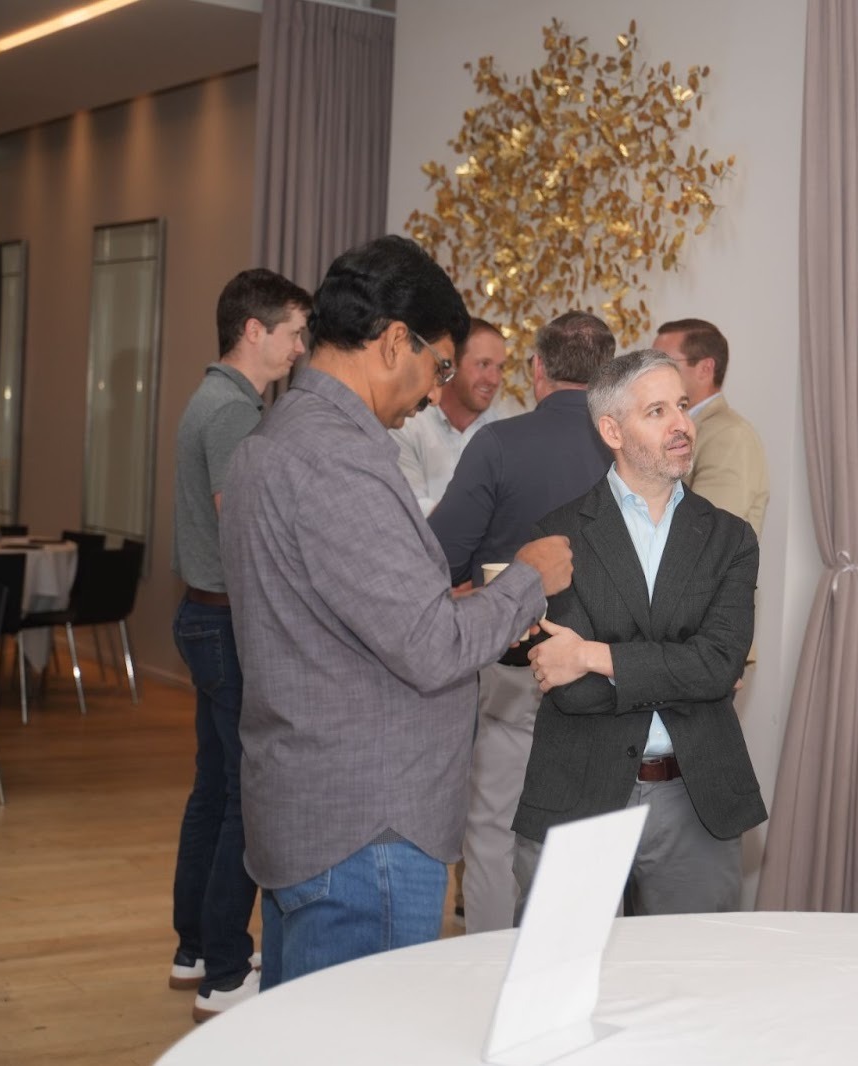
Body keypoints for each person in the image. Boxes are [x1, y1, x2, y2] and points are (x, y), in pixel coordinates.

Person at [219, 235, 573, 988]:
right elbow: (431, 649)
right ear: (391, 343)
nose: (430, 394)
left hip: (309, 803)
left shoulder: (277, 439)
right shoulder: (340, 457)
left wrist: (442, 602)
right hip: (368, 825)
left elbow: (323, 614)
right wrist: (528, 580)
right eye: (439, 365)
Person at [514, 350, 763, 918]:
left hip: (696, 797)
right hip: (579, 788)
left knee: (694, 989)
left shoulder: (730, 539)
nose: (681, 423)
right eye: (657, 411)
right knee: (563, 990)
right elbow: (568, 686)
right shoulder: (559, 535)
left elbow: (719, 666)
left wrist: (596, 654)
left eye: (681, 405)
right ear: (612, 430)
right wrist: (674, 667)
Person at [427, 311, 615, 933]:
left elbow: (438, 556)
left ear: (537, 369)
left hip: (515, 661)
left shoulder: (499, 444)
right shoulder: (633, 447)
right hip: (606, 669)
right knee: (593, 836)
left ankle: (488, 971)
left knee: (493, 827)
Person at [168, 267, 309, 1021]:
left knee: (215, 789)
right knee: (243, 803)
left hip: (204, 617)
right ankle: (225, 969)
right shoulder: (231, 411)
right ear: (255, 330)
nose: (298, 347)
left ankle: (196, 946)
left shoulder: (217, 398)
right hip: (227, 622)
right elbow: (242, 523)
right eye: (292, 332)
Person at [652, 318, 769, 535]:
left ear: (705, 368)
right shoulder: (663, 427)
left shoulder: (730, 436)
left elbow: (704, 531)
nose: (650, 373)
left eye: (664, 363)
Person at [390, 316, 505, 515]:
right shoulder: (407, 423)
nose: (494, 379)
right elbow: (408, 509)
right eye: (483, 364)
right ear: (452, 365)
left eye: (500, 367)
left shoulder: (505, 432)